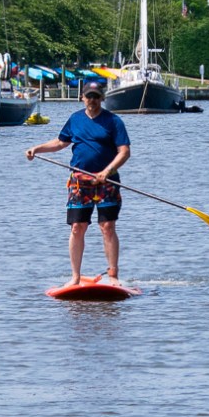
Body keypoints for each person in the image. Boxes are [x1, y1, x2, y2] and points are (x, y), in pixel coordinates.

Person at [25, 83, 130, 286]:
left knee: (107, 226)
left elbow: (124, 152)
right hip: (79, 182)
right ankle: (75, 277)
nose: (93, 100)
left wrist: (106, 171)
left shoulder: (113, 121)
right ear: (82, 98)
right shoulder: (75, 119)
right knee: (77, 227)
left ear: (102, 98)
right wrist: (36, 149)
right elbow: (60, 142)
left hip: (107, 181)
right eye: (89, 96)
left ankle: (113, 276)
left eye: (96, 97)